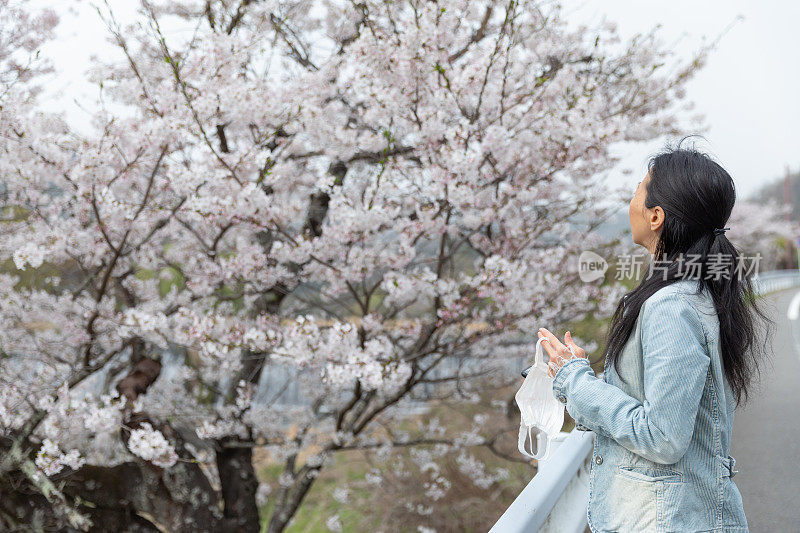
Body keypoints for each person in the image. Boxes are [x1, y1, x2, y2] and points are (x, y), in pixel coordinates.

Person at [538, 139, 771, 532]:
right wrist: (573, 379)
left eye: (636, 193)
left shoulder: (671, 306)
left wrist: (575, 379)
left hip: (667, 519)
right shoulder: (694, 292)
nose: (630, 203)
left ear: (656, 216)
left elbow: (662, 436)